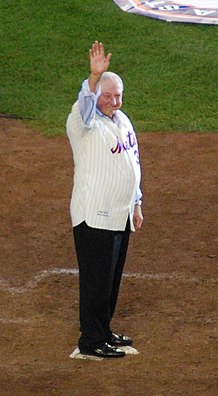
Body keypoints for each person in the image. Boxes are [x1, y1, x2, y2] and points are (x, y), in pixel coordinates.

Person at [66, 41, 143, 358]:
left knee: (110, 279)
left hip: (119, 214)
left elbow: (133, 163)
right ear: (96, 95)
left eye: (118, 96)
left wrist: (136, 202)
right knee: (96, 281)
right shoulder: (82, 124)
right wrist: (93, 77)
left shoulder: (122, 120)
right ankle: (91, 342)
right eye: (107, 96)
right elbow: (84, 103)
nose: (114, 101)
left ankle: (103, 331)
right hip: (94, 216)